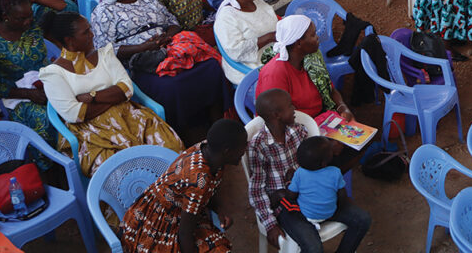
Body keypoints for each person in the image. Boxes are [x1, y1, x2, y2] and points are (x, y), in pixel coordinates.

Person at [39, 11, 183, 176]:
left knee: (170, 148)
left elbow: (127, 88)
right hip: (90, 132)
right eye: (86, 32)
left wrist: (92, 97)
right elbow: (74, 114)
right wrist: (115, 96)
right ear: (69, 41)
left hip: (130, 116)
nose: (92, 34)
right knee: (120, 174)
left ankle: (177, 195)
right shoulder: (52, 74)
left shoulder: (105, 54)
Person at [91, 0, 229, 129]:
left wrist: (167, 36)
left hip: (170, 46)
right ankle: (184, 129)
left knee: (211, 65)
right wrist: (146, 47)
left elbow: (172, 20)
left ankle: (217, 120)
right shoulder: (104, 12)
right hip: (141, 61)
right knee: (173, 85)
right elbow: (105, 50)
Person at [247, 88, 372, 252]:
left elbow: (316, 161)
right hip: (287, 206)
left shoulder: (299, 130)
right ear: (276, 115)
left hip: (317, 195)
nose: (294, 110)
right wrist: (270, 224)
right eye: (290, 106)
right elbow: (257, 190)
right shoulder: (258, 146)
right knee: (313, 247)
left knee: (362, 219)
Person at [120, 119, 244, 253]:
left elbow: (209, 189)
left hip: (184, 215)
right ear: (227, 151)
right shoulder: (198, 181)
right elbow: (184, 234)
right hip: (157, 225)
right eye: (243, 146)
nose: (244, 151)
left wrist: (219, 210)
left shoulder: (209, 150)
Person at [0, 0, 57, 146]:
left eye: (29, 15)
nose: (27, 22)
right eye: (20, 18)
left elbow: (68, 7)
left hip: (50, 82)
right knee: (46, 118)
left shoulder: (34, 24)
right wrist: (28, 94)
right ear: (5, 15)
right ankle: (51, 164)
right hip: (19, 97)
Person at [254, 15, 355, 122]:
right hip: (296, 127)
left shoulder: (311, 58)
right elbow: (277, 119)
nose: (317, 37)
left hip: (321, 117)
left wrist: (343, 107)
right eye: (313, 35)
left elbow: (330, 88)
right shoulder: (275, 74)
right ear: (298, 43)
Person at [214, 0, 279, 84]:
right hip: (248, 66)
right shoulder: (227, 17)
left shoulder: (258, 3)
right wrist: (269, 37)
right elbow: (235, 51)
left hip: (272, 52)